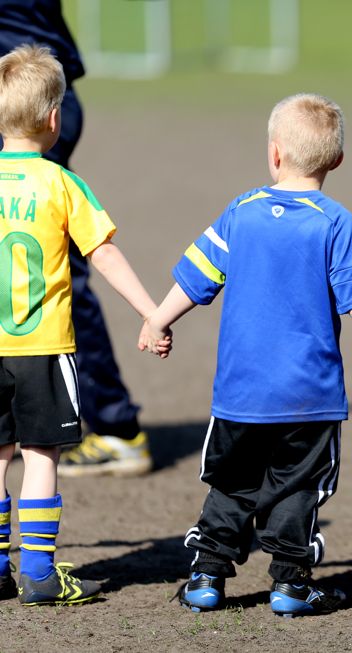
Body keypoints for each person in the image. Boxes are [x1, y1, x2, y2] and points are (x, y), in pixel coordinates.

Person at [142, 94, 352, 617]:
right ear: (336, 161)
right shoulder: (334, 222)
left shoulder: (240, 212)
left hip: (240, 392)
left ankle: (206, 576)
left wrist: (157, 319)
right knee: (298, 487)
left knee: (232, 483)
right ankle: (289, 583)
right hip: (309, 398)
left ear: (274, 153)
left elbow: (194, 278)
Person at [0, 44, 165, 605]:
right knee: (41, 455)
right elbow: (105, 255)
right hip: (43, 348)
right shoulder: (62, 183)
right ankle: (41, 574)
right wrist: (150, 311)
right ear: (54, 119)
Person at [0, 0, 152, 477]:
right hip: (39, 85)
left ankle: (115, 425)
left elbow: (101, 250)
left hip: (24, 89)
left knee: (57, 256)